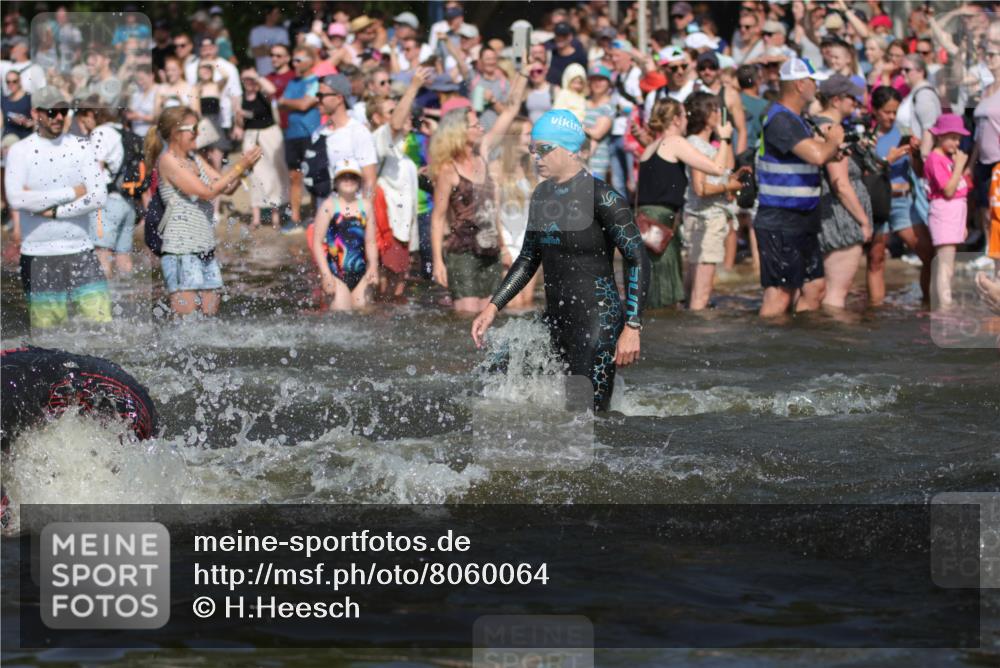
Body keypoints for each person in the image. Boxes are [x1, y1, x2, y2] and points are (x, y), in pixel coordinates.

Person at [470, 109, 649, 412]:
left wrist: (632, 326)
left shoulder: (603, 198)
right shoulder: (541, 195)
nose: (536, 156)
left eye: (544, 149)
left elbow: (638, 259)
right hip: (556, 320)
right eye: (532, 149)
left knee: (587, 419)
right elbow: (528, 258)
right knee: (492, 377)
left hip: (597, 323)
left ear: (569, 150)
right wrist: (492, 307)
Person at [4, 86, 110, 329]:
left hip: (81, 250)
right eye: (52, 111)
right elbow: (16, 199)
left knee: (104, 328)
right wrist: (72, 192)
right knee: (48, 335)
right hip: (38, 254)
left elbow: (98, 196)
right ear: (35, 113)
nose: (59, 117)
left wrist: (56, 211)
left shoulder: (82, 147)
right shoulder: (21, 151)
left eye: (63, 111)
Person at [145, 106, 262, 315]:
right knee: (187, 325)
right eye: (194, 128)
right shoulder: (168, 161)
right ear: (175, 132)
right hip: (181, 251)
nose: (199, 133)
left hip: (205, 247)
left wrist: (246, 168)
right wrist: (239, 165)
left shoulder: (194, 158)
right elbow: (207, 192)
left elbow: (225, 187)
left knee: (208, 322)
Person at [431, 71, 527, 313]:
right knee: (466, 317)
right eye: (475, 125)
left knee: (491, 317)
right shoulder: (447, 169)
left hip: (491, 249)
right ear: (460, 132)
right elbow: (438, 217)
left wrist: (523, 72)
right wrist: (438, 262)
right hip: (462, 252)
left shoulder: (483, 153)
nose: (480, 127)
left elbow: (510, 110)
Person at [755, 58, 844, 318]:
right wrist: (833, 141)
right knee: (780, 294)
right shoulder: (780, 119)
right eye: (813, 81)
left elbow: (815, 156)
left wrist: (830, 150)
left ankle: (799, 345)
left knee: (815, 287)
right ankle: (767, 350)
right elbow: (817, 155)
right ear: (799, 84)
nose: (816, 86)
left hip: (802, 218)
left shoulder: (797, 119)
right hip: (779, 219)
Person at [637, 98, 737, 310]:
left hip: (643, 222)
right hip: (662, 224)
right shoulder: (674, 142)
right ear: (675, 119)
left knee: (651, 292)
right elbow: (718, 168)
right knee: (666, 296)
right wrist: (725, 138)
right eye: (684, 116)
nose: (686, 120)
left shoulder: (650, 147)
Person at [682, 93, 748, 310]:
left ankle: (691, 329)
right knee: (700, 295)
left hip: (705, 219)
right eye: (716, 110)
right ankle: (698, 338)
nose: (720, 114)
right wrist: (729, 186)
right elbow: (700, 188)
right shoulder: (696, 145)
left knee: (693, 290)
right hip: (706, 220)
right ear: (704, 115)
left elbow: (725, 167)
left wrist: (725, 140)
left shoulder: (705, 144)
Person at [813, 75, 873, 310]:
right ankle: (835, 342)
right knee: (837, 294)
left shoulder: (817, 124)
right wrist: (863, 220)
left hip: (828, 215)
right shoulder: (830, 129)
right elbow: (841, 184)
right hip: (841, 219)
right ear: (836, 100)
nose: (857, 102)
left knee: (823, 291)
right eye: (852, 98)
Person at [869, 85, 932, 305]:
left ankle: (928, 305)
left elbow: (919, 172)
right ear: (875, 110)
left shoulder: (904, 132)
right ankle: (876, 311)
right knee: (876, 259)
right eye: (887, 112)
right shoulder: (868, 136)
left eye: (895, 111)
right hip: (878, 202)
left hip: (903, 202)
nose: (892, 116)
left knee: (928, 254)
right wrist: (888, 160)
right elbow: (864, 173)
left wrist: (916, 155)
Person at [310, 158, 378, 310]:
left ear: (359, 181)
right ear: (335, 182)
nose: (348, 180)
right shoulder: (328, 206)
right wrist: (326, 274)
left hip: (360, 274)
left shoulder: (366, 207)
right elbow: (317, 243)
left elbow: (371, 242)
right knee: (341, 313)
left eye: (353, 177)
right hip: (335, 274)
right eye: (344, 177)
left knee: (363, 312)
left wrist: (373, 266)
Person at [490, 116, 539, 309]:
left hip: (528, 243)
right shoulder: (496, 168)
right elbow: (492, 213)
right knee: (511, 303)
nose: (531, 139)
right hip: (508, 243)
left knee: (527, 303)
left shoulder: (530, 167)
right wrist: (502, 248)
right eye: (528, 134)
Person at [923, 114, 971, 309]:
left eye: (958, 138)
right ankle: (945, 307)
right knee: (945, 264)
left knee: (947, 264)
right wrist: (960, 166)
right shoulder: (936, 159)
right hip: (944, 212)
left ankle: (941, 304)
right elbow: (949, 190)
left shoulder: (947, 158)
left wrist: (963, 223)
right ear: (939, 136)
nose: (956, 142)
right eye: (951, 137)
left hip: (954, 215)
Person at [233, 68, 287, 230]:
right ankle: (256, 217)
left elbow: (272, 90)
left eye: (251, 79)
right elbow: (240, 124)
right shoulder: (239, 98)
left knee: (274, 172)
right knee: (254, 174)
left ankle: (275, 215)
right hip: (251, 136)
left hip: (269, 134)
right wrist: (238, 117)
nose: (248, 82)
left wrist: (256, 76)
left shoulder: (264, 93)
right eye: (245, 79)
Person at [87, 106, 137, 279]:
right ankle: (128, 300)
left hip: (107, 202)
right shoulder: (124, 132)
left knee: (102, 254)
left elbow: (96, 169)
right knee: (124, 256)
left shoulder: (100, 132)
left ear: (93, 115)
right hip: (128, 202)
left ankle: (103, 305)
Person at [278, 46, 320, 230]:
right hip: (292, 135)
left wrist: (289, 103)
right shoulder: (292, 82)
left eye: (298, 60)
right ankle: (294, 217)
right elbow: (281, 105)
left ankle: (315, 216)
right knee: (294, 176)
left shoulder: (316, 82)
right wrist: (293, 103)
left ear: (310, 61)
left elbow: (304, 105)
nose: (294, 63)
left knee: (314, 176)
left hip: (310, 134)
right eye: (293, 60)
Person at [583, 63, 614, 181]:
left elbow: (597, 133)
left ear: (608, 83)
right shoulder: (583, 102)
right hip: (578, 160)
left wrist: (577, 126)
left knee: (595, 197)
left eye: (601, 80)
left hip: (598, 161)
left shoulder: (608, 107)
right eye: (594, 79)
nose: (597, 83)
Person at [249, 4, 289, 76]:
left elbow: (285, 52)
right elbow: (255, 52)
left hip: (281, 74)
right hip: (263, 73)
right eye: (276, 13)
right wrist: (276, 50)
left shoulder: (282, 31)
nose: (278, 15)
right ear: (268, 15)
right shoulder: (256, 31)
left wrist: (265, 49)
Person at [523, 59, 558, 123]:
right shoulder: (525, 91)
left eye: (539, 71)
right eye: (532, 72)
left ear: (546, 70)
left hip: (549, 131)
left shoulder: (555, 90)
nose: (535, 74)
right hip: (530, 131)